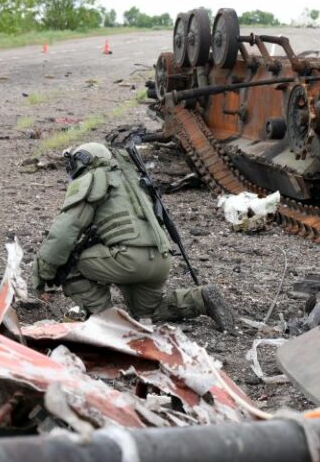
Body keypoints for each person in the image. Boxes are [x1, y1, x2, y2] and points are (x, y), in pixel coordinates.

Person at [32, 141, 234, 330]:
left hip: (127, 260)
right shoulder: (134, 183)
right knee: (148, 313)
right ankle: (200, 298)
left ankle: (107, 318)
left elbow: (65, 231)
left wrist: (44, 272)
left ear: (82, 161)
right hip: (160, 260)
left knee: (68, 266)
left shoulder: (93, 178)